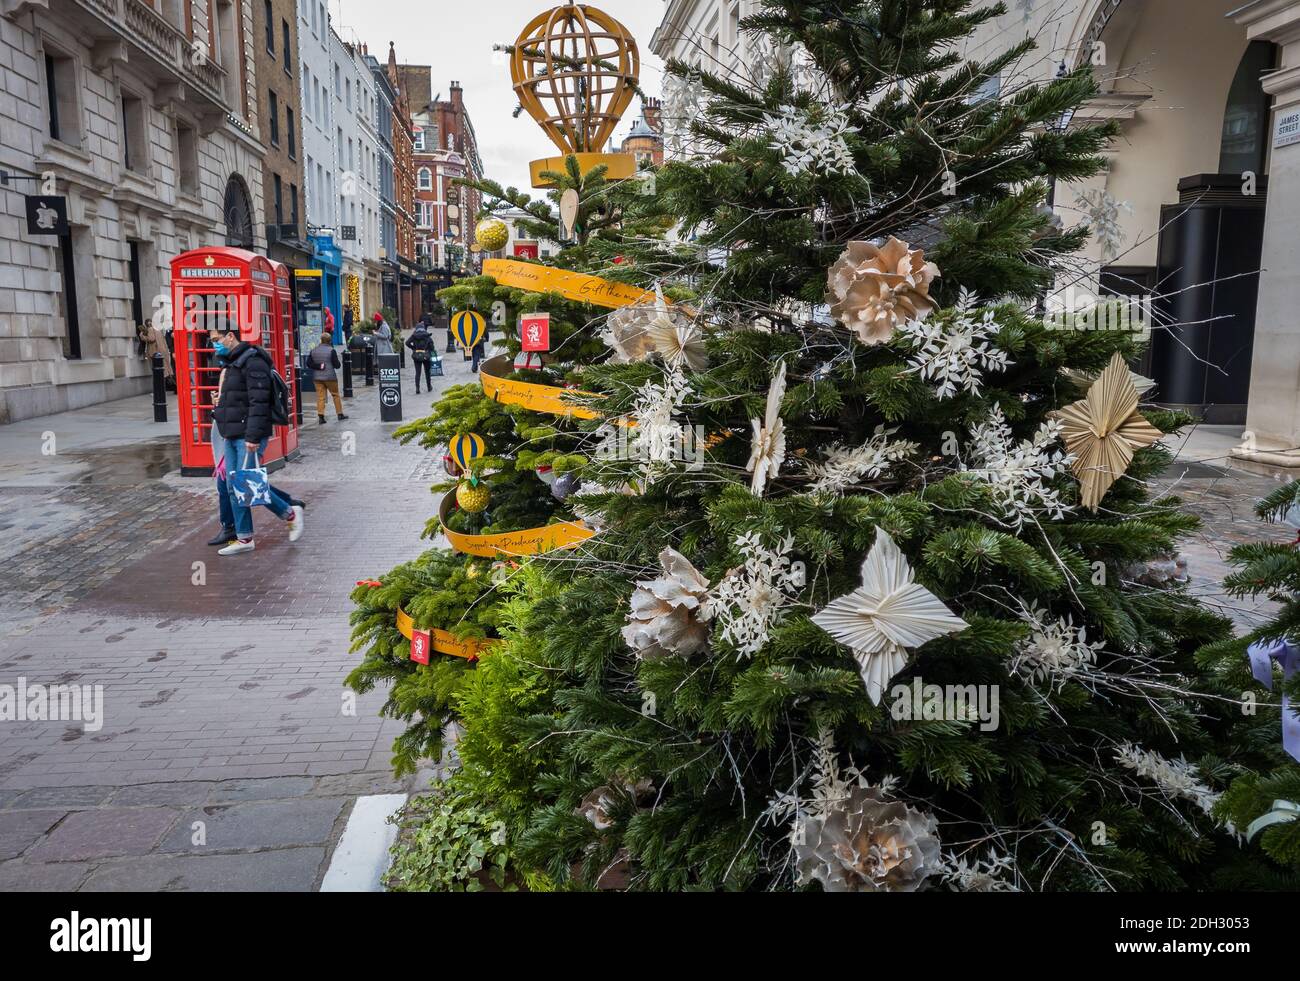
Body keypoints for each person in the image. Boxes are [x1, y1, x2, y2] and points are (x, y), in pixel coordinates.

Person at [209, 325, 305, 555]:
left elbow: (259, 402)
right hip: (231, 435)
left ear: (231, 336)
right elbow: (233, 402)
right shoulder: (232, 363)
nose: (214, 345)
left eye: (216, 339)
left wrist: (252, 437)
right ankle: (244, 538)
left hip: (248, 436)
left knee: (251, 485)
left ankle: (290, 513)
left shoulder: (253, 361)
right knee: (233, 487)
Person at [309, 330, 349, 424]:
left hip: (317, 378)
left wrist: (318, 366)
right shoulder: (332, 350)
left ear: (321, 340)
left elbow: (309, 363)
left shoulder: (313, 350)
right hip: (330, 377)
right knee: (335, 395)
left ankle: (321, 417)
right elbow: (337, 365)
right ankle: (339, 414)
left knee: (320, 397)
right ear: (330, 341)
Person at [405, 318, 436, 393]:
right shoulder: (427, 336)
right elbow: (432, 346)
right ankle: (429, 387)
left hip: (417, 356)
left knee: (418, 372)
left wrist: (413, 348)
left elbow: (407, 342)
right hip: (426, 355)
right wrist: (430, 350)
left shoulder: (414, 335)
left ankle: (417, 389)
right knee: (427, 372)